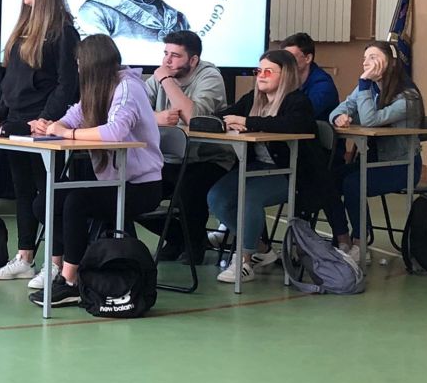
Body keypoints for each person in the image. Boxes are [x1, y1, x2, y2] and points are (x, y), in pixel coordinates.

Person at [25, 34, 163, 307]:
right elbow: (71, 118)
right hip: (111, 181)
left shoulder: (128, 88)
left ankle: (70, 282)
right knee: (46, 202)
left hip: (140, 186)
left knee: (77, 202)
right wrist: (50, 126)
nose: (77, 68)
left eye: (79, 63)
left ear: (90, 64)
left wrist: (68, 133)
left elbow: (115, 131)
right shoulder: (95, 88)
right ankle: (61, 266)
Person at [0, 0, 80, 288]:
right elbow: (12, 80)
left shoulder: (63, 32)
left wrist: (48, 119)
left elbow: (67, 84)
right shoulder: (23, 30)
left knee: (47, 194)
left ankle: (56, 264)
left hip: (43, 128)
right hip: (17, 123)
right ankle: (24, 257)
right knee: (22, 191)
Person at [207, 49, 329, 283]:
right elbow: (222, 115)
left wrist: (247, 122)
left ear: (286, 75)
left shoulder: (298, 101)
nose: (261, 76)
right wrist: (227, 123)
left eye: (268, 72)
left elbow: (292, 125)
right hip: (257, 167)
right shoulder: (252, 99)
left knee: (248, 198)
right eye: (259, 71)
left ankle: (244, 260)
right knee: (217, 197)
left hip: (293, 174)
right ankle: (261, 248)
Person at [323, 41, 425, 257]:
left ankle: (361, 243)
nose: (366, 63)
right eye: (365, 58)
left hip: (401, 166)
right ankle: (342, 238)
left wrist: (363, 84)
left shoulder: (408, 97)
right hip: (373, 161)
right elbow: (339, 109)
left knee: (353, 184)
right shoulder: (368, 88)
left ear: (391, 63)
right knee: (327, 179)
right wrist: (338, 117)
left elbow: (370, 120)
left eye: (373, 57)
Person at [142, 30, 233, 264]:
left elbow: (194, 117)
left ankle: (194, 244)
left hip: (208, 158)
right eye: (166, 53)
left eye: (175, 56)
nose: (167, 61)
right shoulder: (159, 76)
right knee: (136, 188)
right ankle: (176, 237)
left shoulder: (209, 76)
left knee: (188, 188)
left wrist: (166, 81)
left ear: (193, 60)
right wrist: (157, 117)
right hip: (168, 158)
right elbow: (133, 110)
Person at [281, 31, 340, 121]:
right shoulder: (285, 78)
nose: (285, 62)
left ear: (308, 58)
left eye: (290, 57)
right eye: (283, 57)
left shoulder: (323, 85)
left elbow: (300, 115)